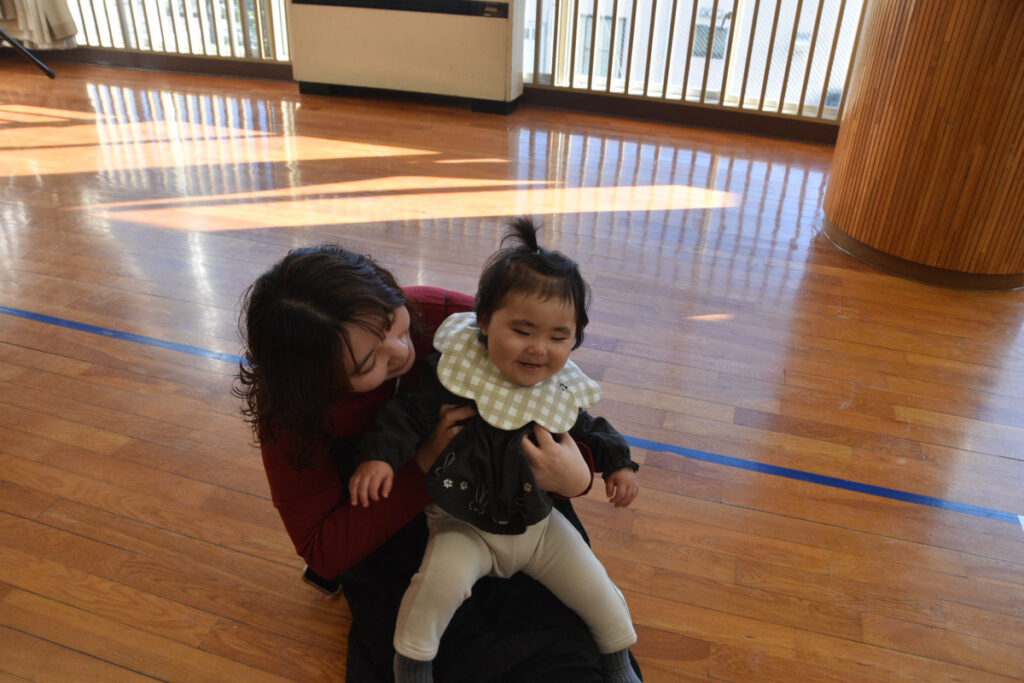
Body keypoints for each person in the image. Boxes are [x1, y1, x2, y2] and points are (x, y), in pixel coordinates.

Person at [236, 242, 634, 682]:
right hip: (402, 510)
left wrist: (579, 476)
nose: (400, 352)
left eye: (395, 324)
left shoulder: (450, 319)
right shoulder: (291, 415)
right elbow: (324, 549)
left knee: (567, 638)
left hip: (516, 494)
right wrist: (419, 465)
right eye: (368, 363)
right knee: (439, 635)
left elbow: (560, 395)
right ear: (316, 383)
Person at [349, 218, 641, 683]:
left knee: (597, 588)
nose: (538, 349)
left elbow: (590, 427)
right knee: (434, 589)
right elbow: (405, 414)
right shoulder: (454, 372)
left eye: (558, 337)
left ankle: (618, 660)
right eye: (522, 330)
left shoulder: (556, 387)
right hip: (462, 525)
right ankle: (412, 663)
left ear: (575, 338)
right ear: (484, 321)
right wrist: (380, 457)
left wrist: (619, 465)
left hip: (539, 529)